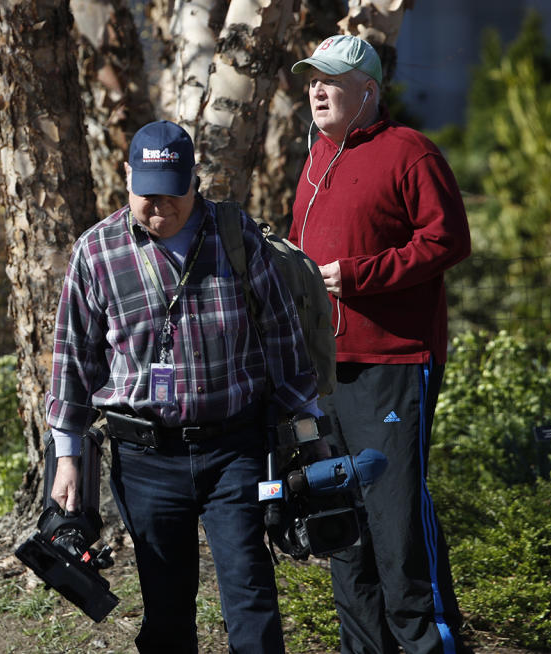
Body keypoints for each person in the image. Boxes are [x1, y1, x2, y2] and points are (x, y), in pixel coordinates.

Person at [46, 119, 320, 653]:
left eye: (174, 196)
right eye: (147, 195)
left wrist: (310, 435)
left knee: (250, 593)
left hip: (235, 449)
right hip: (145, 458)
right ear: (126, 176)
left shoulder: (238, 237)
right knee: (167, 608)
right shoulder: (96, 252)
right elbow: (72, 362)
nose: (161, 209)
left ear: (195, 181)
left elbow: (285, 343)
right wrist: (67, 457)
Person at [289, 35, 472, 654]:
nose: (316, 89)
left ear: (368, 91)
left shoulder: (409, 152)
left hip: (394, 363)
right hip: (324, 371)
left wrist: (361, 273)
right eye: (311, 78)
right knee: (342, 522)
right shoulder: (315, 156)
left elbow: (447, 240)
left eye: (331, 80)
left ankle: (427, 644)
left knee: (395, 520)